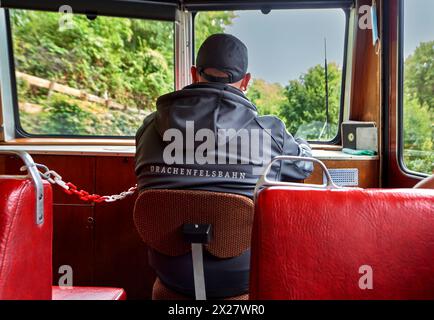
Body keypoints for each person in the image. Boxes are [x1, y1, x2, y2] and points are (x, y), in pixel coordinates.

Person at [135, 33, 314, 298]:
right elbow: (303, 167)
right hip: (239, 280)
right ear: (246, 81)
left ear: (195, 73)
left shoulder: (149, 128)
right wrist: (302, 142)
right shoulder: (269, 132)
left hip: (172, 277)